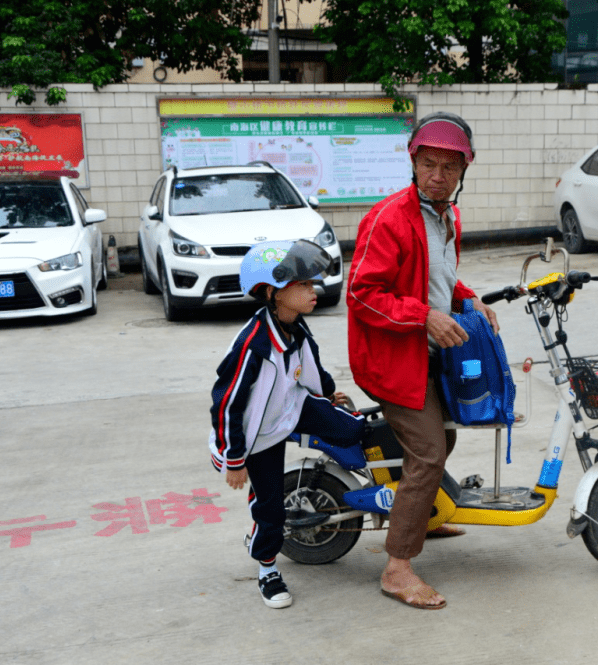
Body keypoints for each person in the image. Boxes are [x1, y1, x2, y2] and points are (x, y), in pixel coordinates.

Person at [347, 112, 499, 610]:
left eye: (449, 168)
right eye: (429, 164)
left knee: (446, 435)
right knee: (430, 451)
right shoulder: (388, 217)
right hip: (391, 358)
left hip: (425, 352)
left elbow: (438, 279)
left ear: (462, 173)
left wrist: (468, 299)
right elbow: (362, 295)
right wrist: (425, 318)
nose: (438, 175)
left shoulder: (446, 216)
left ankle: (420, 514)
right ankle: (398, 566)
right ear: (413, 163)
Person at [210, 239, 365, 609]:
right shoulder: (253, 346)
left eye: (312, 284)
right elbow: (226, 403)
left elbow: (310, 364)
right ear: (273, 293)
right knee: (271, 509)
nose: (314, 291)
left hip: (291, 407)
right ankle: (266, 568)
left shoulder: (295, 325)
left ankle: (320, 475)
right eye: (304, 285)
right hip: (257, 436)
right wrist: (235, 460)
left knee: (355, 429)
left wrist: (327, 394)